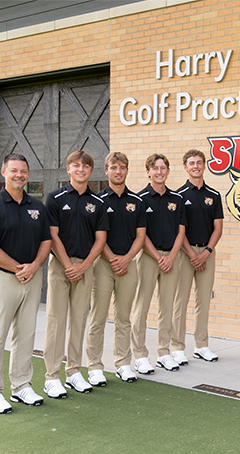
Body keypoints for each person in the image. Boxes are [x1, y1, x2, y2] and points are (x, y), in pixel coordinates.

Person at [0, 154, 52, 413]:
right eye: (14, 170)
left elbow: (46, 241)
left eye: (24, 171)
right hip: (2, 278)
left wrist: (35, 266)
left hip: (31, 276)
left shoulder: (37, 206)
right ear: (3, 172)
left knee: (26, 335)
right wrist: (16, 268)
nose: (19, 175)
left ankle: (21, 386)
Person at [43, 150, 108, 398]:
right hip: (61, 266)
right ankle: (51, 377)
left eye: (86, 166)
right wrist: (68, 265)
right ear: (68, 168)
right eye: (76, 165)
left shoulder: (98, 203)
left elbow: (100, 239)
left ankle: (73, 372)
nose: (81, 169)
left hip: (86, 266)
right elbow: (52, 234)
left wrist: (83, 266)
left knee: (79, 320)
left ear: (91, 171)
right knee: (56, 321)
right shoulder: (55, 198)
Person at [85, 152, 146, 386]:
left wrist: (127, 258)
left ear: (127, 170)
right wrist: (112, 259)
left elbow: (141, 236)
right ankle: (94, 366)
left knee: (123, 318)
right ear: (106, 170)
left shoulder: (137, 202)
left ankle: (122, 363)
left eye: (122, 167)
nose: (118, 171)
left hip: (129, 265)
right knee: (98, 316)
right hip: (103, 265)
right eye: (113, 167)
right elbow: (96, 237)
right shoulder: (98, 202)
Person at [131, 154, 186, 373]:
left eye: (163, 168)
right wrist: (158, 257)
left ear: (168, 171)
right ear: (148, 172)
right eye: (155, 168)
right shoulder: (140, 199)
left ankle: (164, 352)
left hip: (171, 258)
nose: (159, 171)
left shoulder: (177, 199)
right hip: (147, 258)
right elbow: (140, 235)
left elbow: (181, 231)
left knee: (167, 307)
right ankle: (140, 355)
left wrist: (171, 256)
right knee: (141, 306)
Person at [171, 149, 224, 364]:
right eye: (191, 163)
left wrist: (206, 252)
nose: (196, 166)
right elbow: (178, 230)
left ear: (204, 165)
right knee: (180, 300)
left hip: (207, 253)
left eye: (199, 162)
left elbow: (218, 228)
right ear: (185, 167)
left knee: (203, 301)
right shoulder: (178, 196)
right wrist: (193, 254)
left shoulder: (214, 195)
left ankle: (201, 345)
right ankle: (177, 347)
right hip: (185, 254)